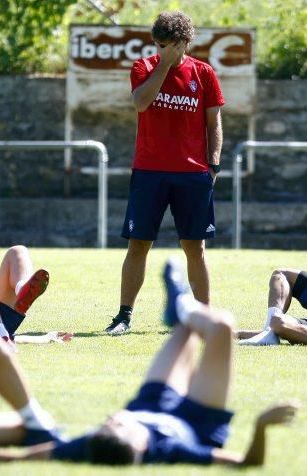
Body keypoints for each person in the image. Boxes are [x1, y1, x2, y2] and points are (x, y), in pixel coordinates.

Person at [0, 259, 298, 467]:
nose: (112, 418)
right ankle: (183, 307)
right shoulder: (174, 452)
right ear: (138, 447)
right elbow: (244, 464)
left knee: (186, 330)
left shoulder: (93, 445)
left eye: (108, 423)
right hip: (197, 421)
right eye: (118, 425)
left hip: (151, 405)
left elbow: (19, 457)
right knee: (221, 327)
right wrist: (262, 427)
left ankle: (182, 311)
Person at [105, 10, 225, 335]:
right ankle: (123, 316)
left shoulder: (204, 73)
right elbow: (141, 103)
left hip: (194, 175)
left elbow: (213, 123)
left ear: (185, 42)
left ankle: (204, 317)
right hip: (149, 172)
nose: (162, 51)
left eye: (169, 46)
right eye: (158, 45)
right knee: (138, 245)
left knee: (195, 248)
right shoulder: (143, 67)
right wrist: (163, 64)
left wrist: (212, 165)